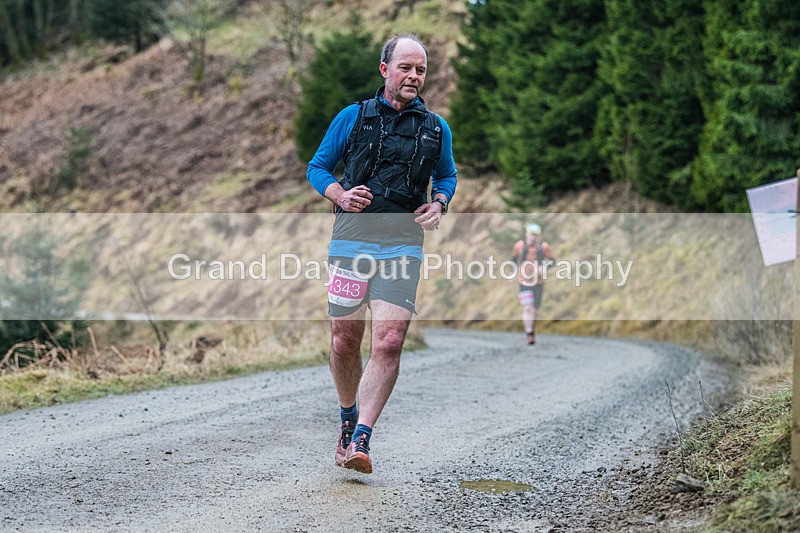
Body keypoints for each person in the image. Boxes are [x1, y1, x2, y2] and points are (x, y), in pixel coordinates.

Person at [306, 33, 457, 474]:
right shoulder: (352, 117)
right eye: (406, 67)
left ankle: (362, 439)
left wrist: (439, 202)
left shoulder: (436, 127)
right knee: (344, 339)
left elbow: (446, 175)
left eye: (421, 69)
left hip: (403, 245)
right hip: (351, 240)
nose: (414, 76)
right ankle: (347, 415)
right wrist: (338, 191)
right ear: (384, 70)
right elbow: (317, 166)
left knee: (389, 340)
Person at [512, 223, 554, 345]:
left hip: (539, 282)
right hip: (523, 280)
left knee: (535, 310)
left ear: (538, 236)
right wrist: (512, 273)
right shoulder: (519, 246)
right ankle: (529, 333)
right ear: (526, 234)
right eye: (531, 234)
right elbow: (514, 260)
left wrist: (544, 268)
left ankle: (532, 329)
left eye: (535, 235)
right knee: (527, 307)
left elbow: (553, 261)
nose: (533, 237)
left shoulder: (544, 247)